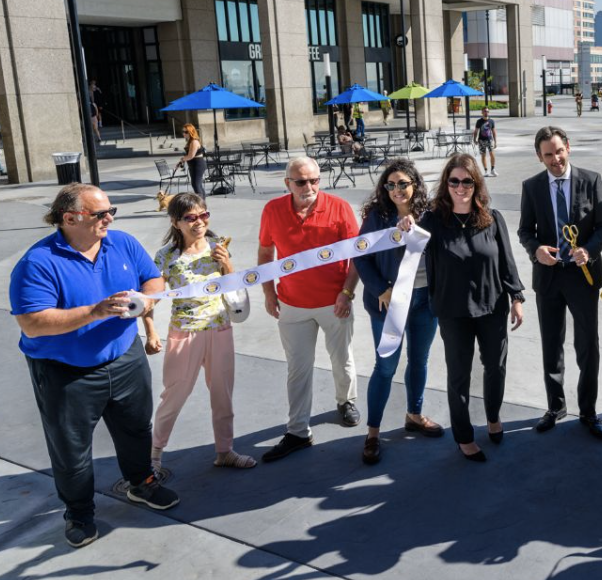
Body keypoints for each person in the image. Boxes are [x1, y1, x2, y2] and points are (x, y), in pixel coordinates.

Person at [12, 184, 178, 548]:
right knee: (71, 448)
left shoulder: (123, 243)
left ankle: (141, 483)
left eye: (110, 211)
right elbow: (33, 323)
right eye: (100, 214)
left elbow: (153, 279)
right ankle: (79, 512)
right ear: (70, 218)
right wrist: (95, 311)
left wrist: (147, 301)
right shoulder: (38, 263)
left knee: (136, 428)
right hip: (65, 372)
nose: (109, 219)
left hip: (125, 357)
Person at [415, 154, 525, 461]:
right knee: (459, 375)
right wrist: (405, 229)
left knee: (496, 367)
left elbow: (507, 263)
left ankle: (493, 416)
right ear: (446, 184)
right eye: (454, 181)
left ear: (476, 184)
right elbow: (407, 248)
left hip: (492, 306)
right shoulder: (432, 221)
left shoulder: (492, 218)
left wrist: (516, 298)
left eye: (467, 181)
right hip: (453, 311)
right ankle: (463, 436)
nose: (460, 187)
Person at [258, 157, 362, 462]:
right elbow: (265, 252)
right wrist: (268, 292)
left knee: (341, 359)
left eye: (315, 180)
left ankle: (346, 401)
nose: (309, 187)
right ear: (287, 183)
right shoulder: (273, 210)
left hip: (335, 303)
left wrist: (347, 293)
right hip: (292, 305)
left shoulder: (339, 207)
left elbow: (358, 254)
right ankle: (298, 431)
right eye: (301, 182)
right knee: (298, 369)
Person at [144, 193, 255, 472]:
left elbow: (233, 288)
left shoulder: (219, 247)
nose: (199, 222)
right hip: (185, 333)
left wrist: (227, 265)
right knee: (174, 395)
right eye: (190, 218)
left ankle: (225, 451)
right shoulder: (166, 256)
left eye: (204, 215)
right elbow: (151, 296)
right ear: (175, 222)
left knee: (222, 395)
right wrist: (151, 332)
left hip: (220, 329)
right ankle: (154, 456)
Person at [518, 126, 602, 437]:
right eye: (548, 154)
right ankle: (555, 406)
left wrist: (589, 250)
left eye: (559, 151)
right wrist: (536, 250)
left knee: (588, 345)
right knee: (551, 344)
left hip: (582, 276)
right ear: (539, 156)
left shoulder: (591, 180)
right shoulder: (532, 187)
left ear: (568, 148)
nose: (555, 159)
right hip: (549, 277)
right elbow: (525, 231)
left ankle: (588, 411)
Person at [353, 159, 442, 465]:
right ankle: (373, 433)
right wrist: (380, 289)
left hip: (425, 301)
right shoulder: (378, 216)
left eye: (403, 183)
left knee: (419, 360)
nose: (396, 190)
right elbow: (360, 256)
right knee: (385, 367)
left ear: (414, 184)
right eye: (390, 185)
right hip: (388, 304)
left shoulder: (430, 214)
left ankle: (414, 415)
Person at [177, 123, 207, 198]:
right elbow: (190, 156)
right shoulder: (190, 141)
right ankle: (202, 202)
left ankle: (201, 202)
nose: (184, 133)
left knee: (196, 185)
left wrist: (183, 159)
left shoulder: (194, 142)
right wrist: (182, 160)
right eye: (183, 131)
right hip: (194, 164)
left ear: (191, 132)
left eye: (186, 132)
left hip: (197, 165)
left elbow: (191, 156)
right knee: (197, 184)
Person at [473, 107, 498, 177]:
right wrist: (474, 139)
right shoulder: (479, 121)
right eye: (484, 111)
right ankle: (486, 171)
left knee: (492, 154)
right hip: (481, 140)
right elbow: (476, 131)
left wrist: (495, 142)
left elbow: (494, 132)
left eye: (487, 111)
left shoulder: (491, 121)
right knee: (483, 155)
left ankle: (493, 169)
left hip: (490, 140)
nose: (486, 112)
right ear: (482, 112)